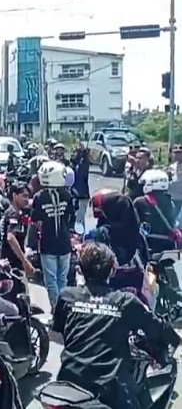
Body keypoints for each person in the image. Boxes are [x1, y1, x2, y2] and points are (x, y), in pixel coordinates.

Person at [52, 242, 180, 409]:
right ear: (112, 269)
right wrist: (176, 338)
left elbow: (61, 330)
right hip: (110, 389)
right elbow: (156, 327)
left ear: (80, 268)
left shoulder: (66, 296)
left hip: (68, 382)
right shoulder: (125, 301)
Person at [31, 160, 74, 308]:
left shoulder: (39, 197)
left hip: (47, 244)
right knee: (63, 279)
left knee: (51, 280)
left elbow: (36, 221)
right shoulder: (67, 194)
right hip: (65, 243)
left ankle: (56, 309)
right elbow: (70, 217)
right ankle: (64, 309)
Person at [133, 169, 178, 254]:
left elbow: (133, 224)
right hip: (168, 246)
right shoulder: (170, 202)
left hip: (148, 245)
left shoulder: (140, 202)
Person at [0, 183, 35, 275]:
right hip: (12, 262)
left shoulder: (17, 212)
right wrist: (24, 261)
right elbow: (10, 237)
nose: (27, 200)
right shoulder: (14, 214)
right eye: (24, 196)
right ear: (15, 196)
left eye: (28, 197)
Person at [71, 140, 91, 228]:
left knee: (80, 219)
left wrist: (82, 150)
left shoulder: (83, 165)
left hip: (83, 195)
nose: (73, 154)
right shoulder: (71, 166)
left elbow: (86, 158)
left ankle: (80, 236)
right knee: (73, 218)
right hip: (73, 195)